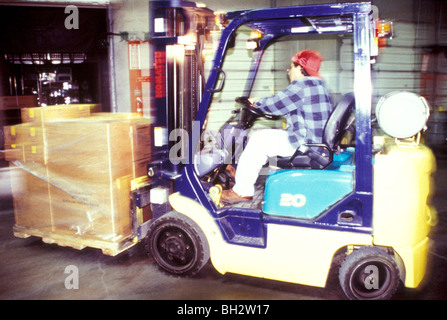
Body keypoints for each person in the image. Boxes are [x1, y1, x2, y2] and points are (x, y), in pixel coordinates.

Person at [221, 50, 333, 202]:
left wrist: (256, 102)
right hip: (315, 141)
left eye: (291, 67)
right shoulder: (319, 85)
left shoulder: (303, 86)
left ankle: (242, 191)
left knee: (259, 139)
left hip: (305, 143)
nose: (288, 71)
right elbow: (287, 106)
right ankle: (241, 171)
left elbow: (275, 104)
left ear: (300, 68)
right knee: (265, 134)